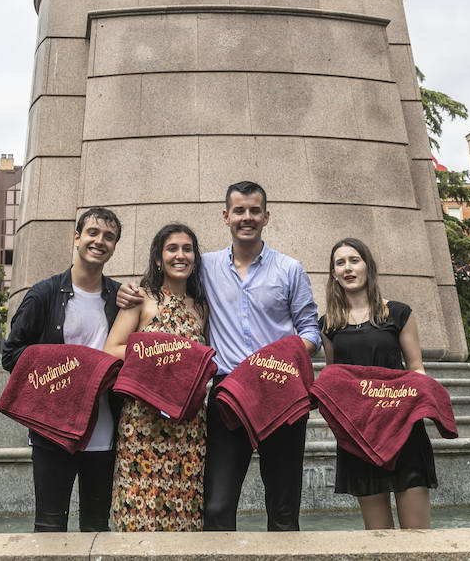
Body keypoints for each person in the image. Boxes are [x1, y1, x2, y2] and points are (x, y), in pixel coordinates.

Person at [120, 180, 321, 531]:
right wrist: (122, 292)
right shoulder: (205, 267)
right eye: (239, 211)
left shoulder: (290, 269)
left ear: (266, 216)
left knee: (284, 510)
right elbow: (167, 280)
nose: (247, 217)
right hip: (229, 392)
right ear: (225, 216)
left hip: (279, 388)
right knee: (215, 507)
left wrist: (281, 357)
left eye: (254, 211)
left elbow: (310, 331)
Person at [1, 207, 123, 532]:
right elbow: (11, 354)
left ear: (114, 247)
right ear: (77, 237)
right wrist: (67, 370)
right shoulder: (45, 293)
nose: (99, 241)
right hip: (52, 431)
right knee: (49, 525)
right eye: (93, 233)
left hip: (103, 432)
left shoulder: (119, 298)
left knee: (97, 527)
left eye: (109, 237)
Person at [320, 237, 435, 530]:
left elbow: (416, 368)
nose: (347, 268)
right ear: (333, 273)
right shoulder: (329, 324)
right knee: (378, 539)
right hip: (360, 435)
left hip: (402, 429)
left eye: (354, 260)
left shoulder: (398, 313)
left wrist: (420, 402)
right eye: (340, 263)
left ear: (368, 266)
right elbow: (334, 378)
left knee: (418, 537)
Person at [103, 223, 211, 532]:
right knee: (139, 513)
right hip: (143, 424)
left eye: (187, 249)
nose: (180, 255)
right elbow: (111, 350)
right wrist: (160, 351)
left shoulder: (201, 307)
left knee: (185, 513)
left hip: (189, 427)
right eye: (172, 249)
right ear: (158, 259)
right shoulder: (141, 299)